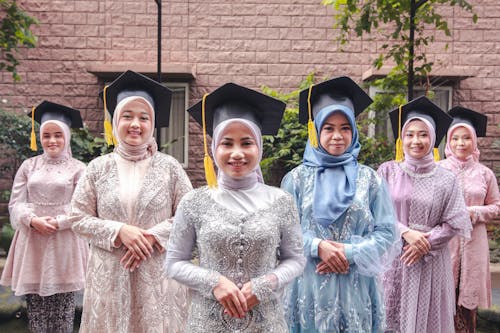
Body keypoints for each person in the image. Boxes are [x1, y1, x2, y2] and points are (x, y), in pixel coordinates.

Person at [165, 82, 306, 332]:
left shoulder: (281, 201)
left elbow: (295, 259)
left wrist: (266, 284)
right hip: (208, 323)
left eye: (246, 143)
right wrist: (214, 282)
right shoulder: (194, 202)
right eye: (227, 143)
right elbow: (174, 263)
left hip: (265, 322)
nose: (237, 153)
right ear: (214, 148)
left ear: (259, 147)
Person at [70, 70, 192, 332]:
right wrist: (119, 231)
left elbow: (190, 215)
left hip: (157, 274)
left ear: (153, 123)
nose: (135, 124)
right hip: (110, 274)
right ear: (115, 121)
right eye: (127, 116)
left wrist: (150, 237)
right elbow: (77, 217)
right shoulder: (98, 168)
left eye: (143, 117)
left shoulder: (170, 168)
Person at [281, 77, 398, 332]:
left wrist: (348, 253)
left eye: (345, 128)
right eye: (328, 128)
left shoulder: (370, 179)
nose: (337, 136)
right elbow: (284, 231)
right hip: (310, 284)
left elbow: (387, 232)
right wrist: (318, 246)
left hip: (356, 285)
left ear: (354, 131)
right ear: (316, 131)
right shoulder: (296, 179)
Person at [378, 96, 472, 333]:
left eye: (423, 134)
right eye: (409, 134)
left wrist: (426, 242)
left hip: (430, 263)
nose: (415, 141)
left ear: (433, 138)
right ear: (402, 138)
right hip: (393, 259)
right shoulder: (388, 171)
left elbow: (455, 220)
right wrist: (406, 232)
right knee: (390, 316)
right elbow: (375, 212)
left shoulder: (446, 178)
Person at [1, 101, 88, 332]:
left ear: (67, 136)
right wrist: (32, 220)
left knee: (63, 309)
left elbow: (84, 207)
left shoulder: (79, 168)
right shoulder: (29, 166)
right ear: (40, 137)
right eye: (47, 135)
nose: (52, 141)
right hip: (33, 242)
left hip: (65, 242)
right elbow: (16, 203)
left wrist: (59, 222)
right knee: (37, 309)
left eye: (58, 135)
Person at [438, 106, 500, 332]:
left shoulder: (485, 173)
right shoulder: (439, 170)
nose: (461, 143)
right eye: (455, 138)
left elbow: (496, 206)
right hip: (447, 242)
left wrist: (475, 212)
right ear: (448, 141)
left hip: (475, 242)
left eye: (466, 138)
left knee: (468, 308)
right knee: (444, 301)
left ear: (474, 141)